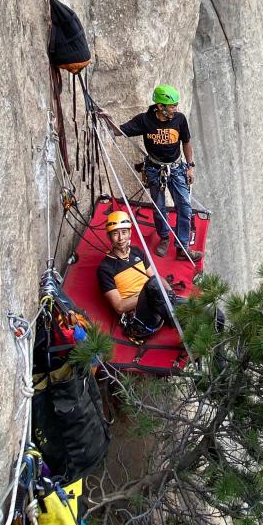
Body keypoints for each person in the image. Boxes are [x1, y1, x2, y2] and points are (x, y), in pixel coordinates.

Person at [115, 84, 203, 263]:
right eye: (172, 106)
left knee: (185, 207)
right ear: (160, 106)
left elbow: (186, 142)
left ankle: (183, 247)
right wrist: (106, 120)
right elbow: (120, 131)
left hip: (177, 169)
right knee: (159, 207)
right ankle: (164, 237)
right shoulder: (145, 121)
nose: (175, 109)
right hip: (155, 170)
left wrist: (190, 166)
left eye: (175, 105)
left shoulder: (179, 119)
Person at [97, 210, 175, 339]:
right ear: (109, 237)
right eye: (115, 234)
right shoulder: (105, 268)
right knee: (153, 287)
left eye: (124, 232)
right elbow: (120, 306)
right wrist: (149, 295)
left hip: (157, 304)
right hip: (139, 320)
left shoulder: (137, 252)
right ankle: (175, 317)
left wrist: (170, 293)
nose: (121, 238)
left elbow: (155, 277)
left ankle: (175, 310)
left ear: (130, 233)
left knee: (217, 315)